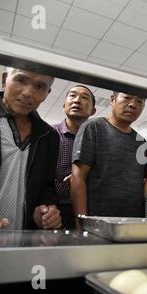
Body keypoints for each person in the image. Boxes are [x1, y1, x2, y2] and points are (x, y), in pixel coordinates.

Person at [0, 67, 61, 230]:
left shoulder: (49, 135)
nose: (28, 93)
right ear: (4, 80)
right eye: (21, 80)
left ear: (47, 93)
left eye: (40, 87)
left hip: (20, 242)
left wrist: (46, 209)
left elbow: (47, 187)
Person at [71, 91, 147, 226]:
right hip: (98, 222)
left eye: (139, 101)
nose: (132, 104)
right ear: (113, 100)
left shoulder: (141, 142)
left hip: (131, 223)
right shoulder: (93, 127)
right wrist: (81, 223)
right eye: (127, 97)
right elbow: (77, 177)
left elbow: (143, 182)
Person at [53, 85, 96, 229]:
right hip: (55, 211)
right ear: (64, 104)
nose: (77, 100)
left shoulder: (97, 140)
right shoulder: (50, 135)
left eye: (84, 97)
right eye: (72, 96)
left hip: (89, 210)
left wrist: (81, 177)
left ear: (93, 111)